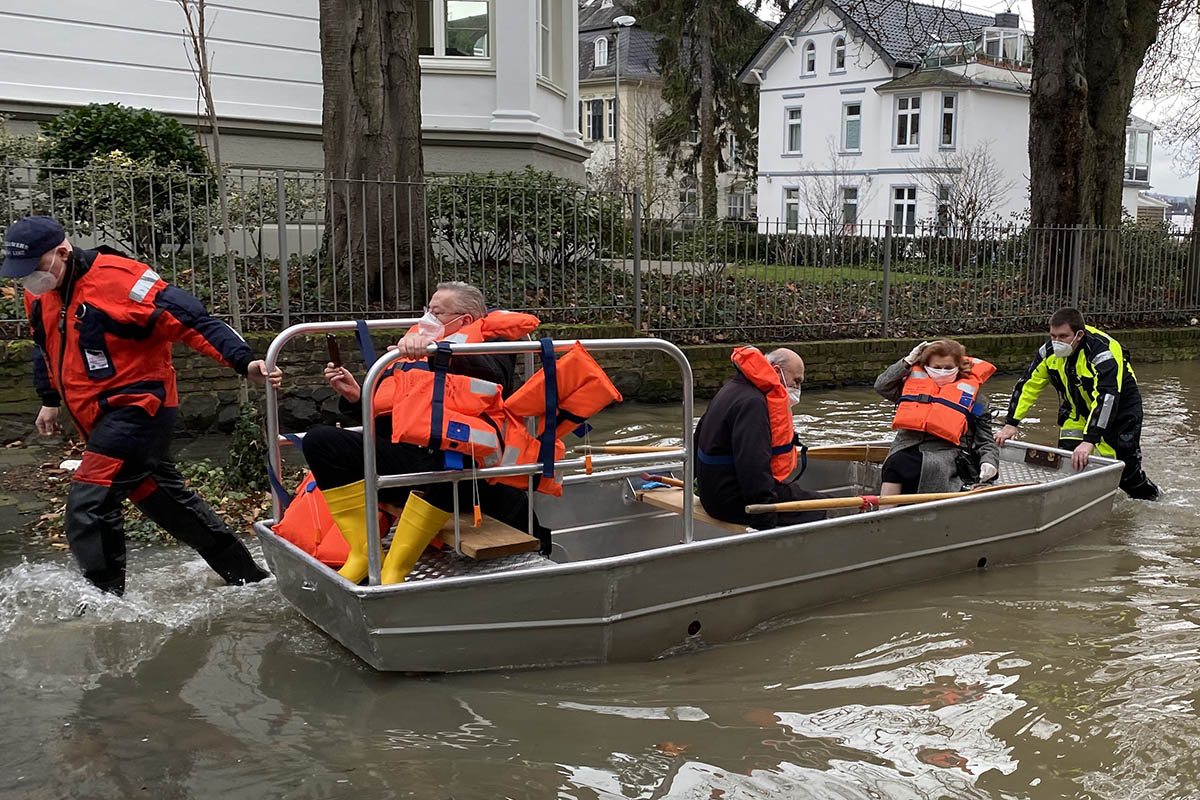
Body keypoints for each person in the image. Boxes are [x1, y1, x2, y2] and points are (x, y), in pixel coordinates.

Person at [2, 215, 282, 596]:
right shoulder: (39, 292)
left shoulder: (124, 280)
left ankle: (105, 604)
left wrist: (243, 361)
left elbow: (193, 321)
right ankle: (251, 580)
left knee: (90, 505)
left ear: (62, 253)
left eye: (34, 268)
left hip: (139, 410)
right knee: (169, 506)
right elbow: (44, 345)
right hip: (97, 417)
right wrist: (49, 400)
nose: (28, 279)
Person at [301, 281, 553, 585]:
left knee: (447, 460)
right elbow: (392, 421)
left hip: (466, 479)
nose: (427, 318)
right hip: (411, 465)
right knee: (320, 441)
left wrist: (439, 352)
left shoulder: (490, 345)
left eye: (437, 312)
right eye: (426, 310)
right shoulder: (417, 348)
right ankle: (365, 554)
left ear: (466, 321)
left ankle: (395, 569)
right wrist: (357, 397)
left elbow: (493, 373)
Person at [994, 307, 1160, 499]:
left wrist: (1089, 440)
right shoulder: (1048, 352)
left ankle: (1152, 498)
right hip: (1077, 409)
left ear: (1079, 334)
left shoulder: (1102, 352)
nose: (1056, 342)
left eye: (1063, 336)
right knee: (1067, 463)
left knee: (1125, 473)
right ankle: (1075, 504)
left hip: (1118, 411)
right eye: (1053, 336)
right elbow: (1028, 386)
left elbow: (1107, 398)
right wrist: (1011, 423)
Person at [694, 346, 827, 529]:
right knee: (825, 507)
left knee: (798, 494)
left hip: (714, 494)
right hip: (733, 502)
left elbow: (697, 437)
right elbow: (752, 465)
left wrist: (698, 485)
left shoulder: (732, 388)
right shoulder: (753, 403)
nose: (797, 388)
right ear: (777, 372)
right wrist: (764, 518)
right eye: (796, 381)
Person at [874, 339, 1000, 496]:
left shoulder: (976, 401)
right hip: (905, 447)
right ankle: (885, 514)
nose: (942, 371)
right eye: (937, 368)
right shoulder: (910, 387)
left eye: (948, 368)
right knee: (896, 462)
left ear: (958, 367)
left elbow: (986, 439)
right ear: (926, 367)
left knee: (931, 468)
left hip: (945, 453)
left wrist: (989, 461)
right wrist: (907, 362)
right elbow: (881, 385)